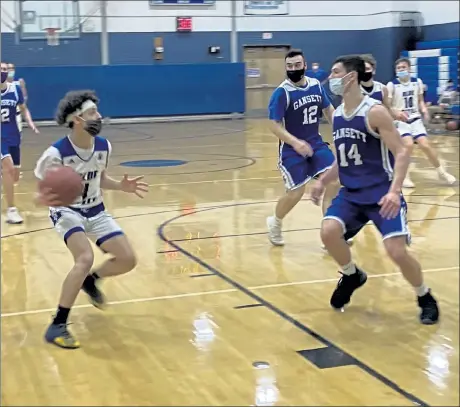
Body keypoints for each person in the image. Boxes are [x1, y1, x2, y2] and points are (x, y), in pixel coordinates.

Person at [311, 55, 439, 325]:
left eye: (335, 73)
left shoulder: (374, 112)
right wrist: (323, 182)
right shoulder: (337, 116)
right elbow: (343, 159)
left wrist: (394, 192)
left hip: (382, 192)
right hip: (352, 194)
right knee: (328, 231)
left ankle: (424, 295)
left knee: (397, 252)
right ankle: (351, 275)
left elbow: (402, 153)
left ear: (351, 77)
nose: (330, 78)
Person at [34, 90, 149, 349]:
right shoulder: (56, 153)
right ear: (76, 119)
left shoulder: (103, 146)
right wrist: (44, 198)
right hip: (67, 210)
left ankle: (91, 281)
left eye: (97, 111)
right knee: (84, 258)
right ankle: (58, 324)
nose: (98, 116)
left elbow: (99, 178)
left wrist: (121, 186)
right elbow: (44, 184)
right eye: (92, 113)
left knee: (128, 259)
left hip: (96, 209)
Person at [267, 49, 347, 247]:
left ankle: (329, 233)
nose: (293, 69)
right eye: (289, 66)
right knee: (296, 192)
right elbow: (273, 125)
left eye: (297, 65)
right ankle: (275, 222)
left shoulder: (316, 86)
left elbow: (329, 110)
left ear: (304, 65)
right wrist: (295, 142)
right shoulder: (282, 93)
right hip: (291, 149)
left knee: (334, 182)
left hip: (316, 144)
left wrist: (341, 129)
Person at [386, 58, 456, 188]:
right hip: (400, 120)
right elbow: (388, 105)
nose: (401, 70)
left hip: (415, 118)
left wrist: (424, 111)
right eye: (398, 68)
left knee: (426, 145)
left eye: (403, 67)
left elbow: (420, 101)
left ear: (409, 69)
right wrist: (395, 112)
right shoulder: (392, 85)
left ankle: (442, 173)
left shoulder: (417, 82)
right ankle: (404, 176)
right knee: (408, 144)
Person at [1, 61, 38, 224]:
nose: (3, 71)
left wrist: (30, 122)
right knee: (8, 168)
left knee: (15, 175)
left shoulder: (15, 89)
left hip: (13, 135)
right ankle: (11, 210)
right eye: (0, 69)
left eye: (4, 69)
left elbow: (24, 108)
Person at [7, 62, 29, 179]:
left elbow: (24, 99)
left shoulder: (18, 83)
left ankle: (15, 167)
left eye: (11, 68)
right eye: (8, 68)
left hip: (16, 116)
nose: (10, 70)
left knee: (15, 143)